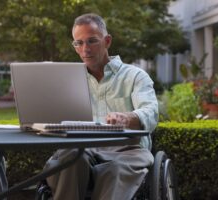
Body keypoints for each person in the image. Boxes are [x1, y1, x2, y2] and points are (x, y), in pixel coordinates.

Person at [44, 13, 159, 200]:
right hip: (82, 147)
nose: (85, 49)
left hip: (127, 150)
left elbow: (150, 112)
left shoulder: (136, 76)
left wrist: (127, 118)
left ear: (107, 41)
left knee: (114, 171)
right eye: (78, 43)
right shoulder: (68, 80)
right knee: (68, 159)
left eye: (91, 41)